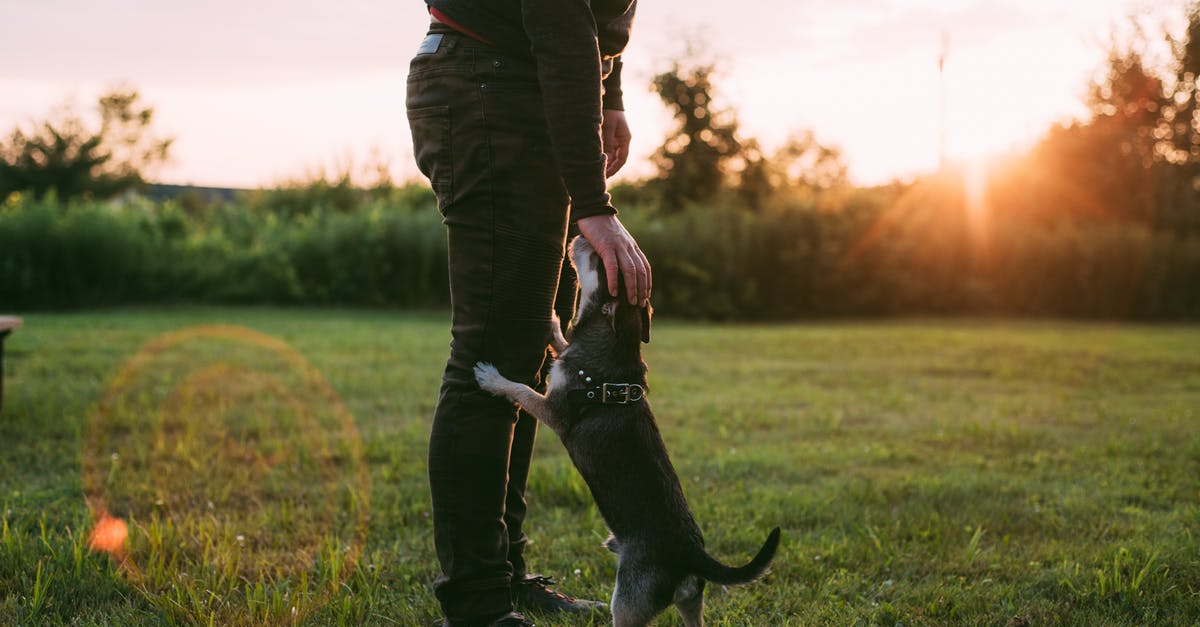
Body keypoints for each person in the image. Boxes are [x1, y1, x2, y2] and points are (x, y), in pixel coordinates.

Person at [405, 1, 651, 625]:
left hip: (517, 86)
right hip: (487, 89)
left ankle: (505, 577)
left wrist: (611, 91)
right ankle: (477, 602)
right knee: (488, 356)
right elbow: (561, 21)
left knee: (528, 354)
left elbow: (596, 19)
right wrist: (594, 204)